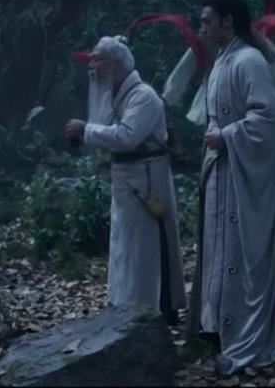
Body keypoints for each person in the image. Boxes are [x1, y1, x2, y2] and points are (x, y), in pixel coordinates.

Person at [187, 0, 275, 375]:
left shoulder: (248, 60)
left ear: (227, 21)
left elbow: (270, 117)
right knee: (219, 250)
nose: (201, 28)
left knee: (240, 253)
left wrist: (228, 135)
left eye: (207, 21)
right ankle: (216, 328)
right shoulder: (222, 61)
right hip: (221, 170)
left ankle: (244, 337)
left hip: (242, 174)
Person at [64, 35, 186, 323]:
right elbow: (107, 131)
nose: (91, 66)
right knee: (126, 248)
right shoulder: (117, 94)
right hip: (127, 181)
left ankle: (153, 313)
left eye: (97, 59)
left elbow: (127, 136)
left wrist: (85, 129)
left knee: (146, 249)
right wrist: (86, 133)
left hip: (147, 182)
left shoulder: (143, 96)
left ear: (116, 65)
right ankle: (126, 310)